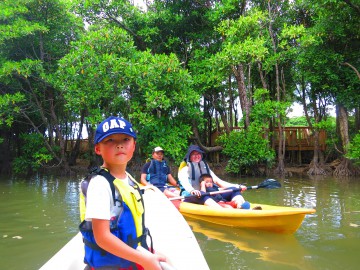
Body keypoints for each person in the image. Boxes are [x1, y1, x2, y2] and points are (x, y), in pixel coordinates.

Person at [79, 116, 166, 270]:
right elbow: (102, 238)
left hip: (131, 254)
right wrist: (145, 260)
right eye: (110, 140)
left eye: (125, 139)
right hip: (112, 264)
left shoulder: (129, 178)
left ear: (133, 146)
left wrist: (146, 254)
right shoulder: (100, 184)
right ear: (98, 149)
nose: (119, 145)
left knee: (167, 260)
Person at [178, 144, 249, 209]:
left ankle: (240, 205)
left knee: (234, 189)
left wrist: (237, 186)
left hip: (209, 194)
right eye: (194, 154)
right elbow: (185, 184)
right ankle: (221, 210)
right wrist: (192, 190)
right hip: (191, 196)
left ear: (201, 155)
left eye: (198, 153)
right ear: (189, 157)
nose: (197, 156)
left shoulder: (205, 168)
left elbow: (218, 181)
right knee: (202, 194)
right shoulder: (184, 170)